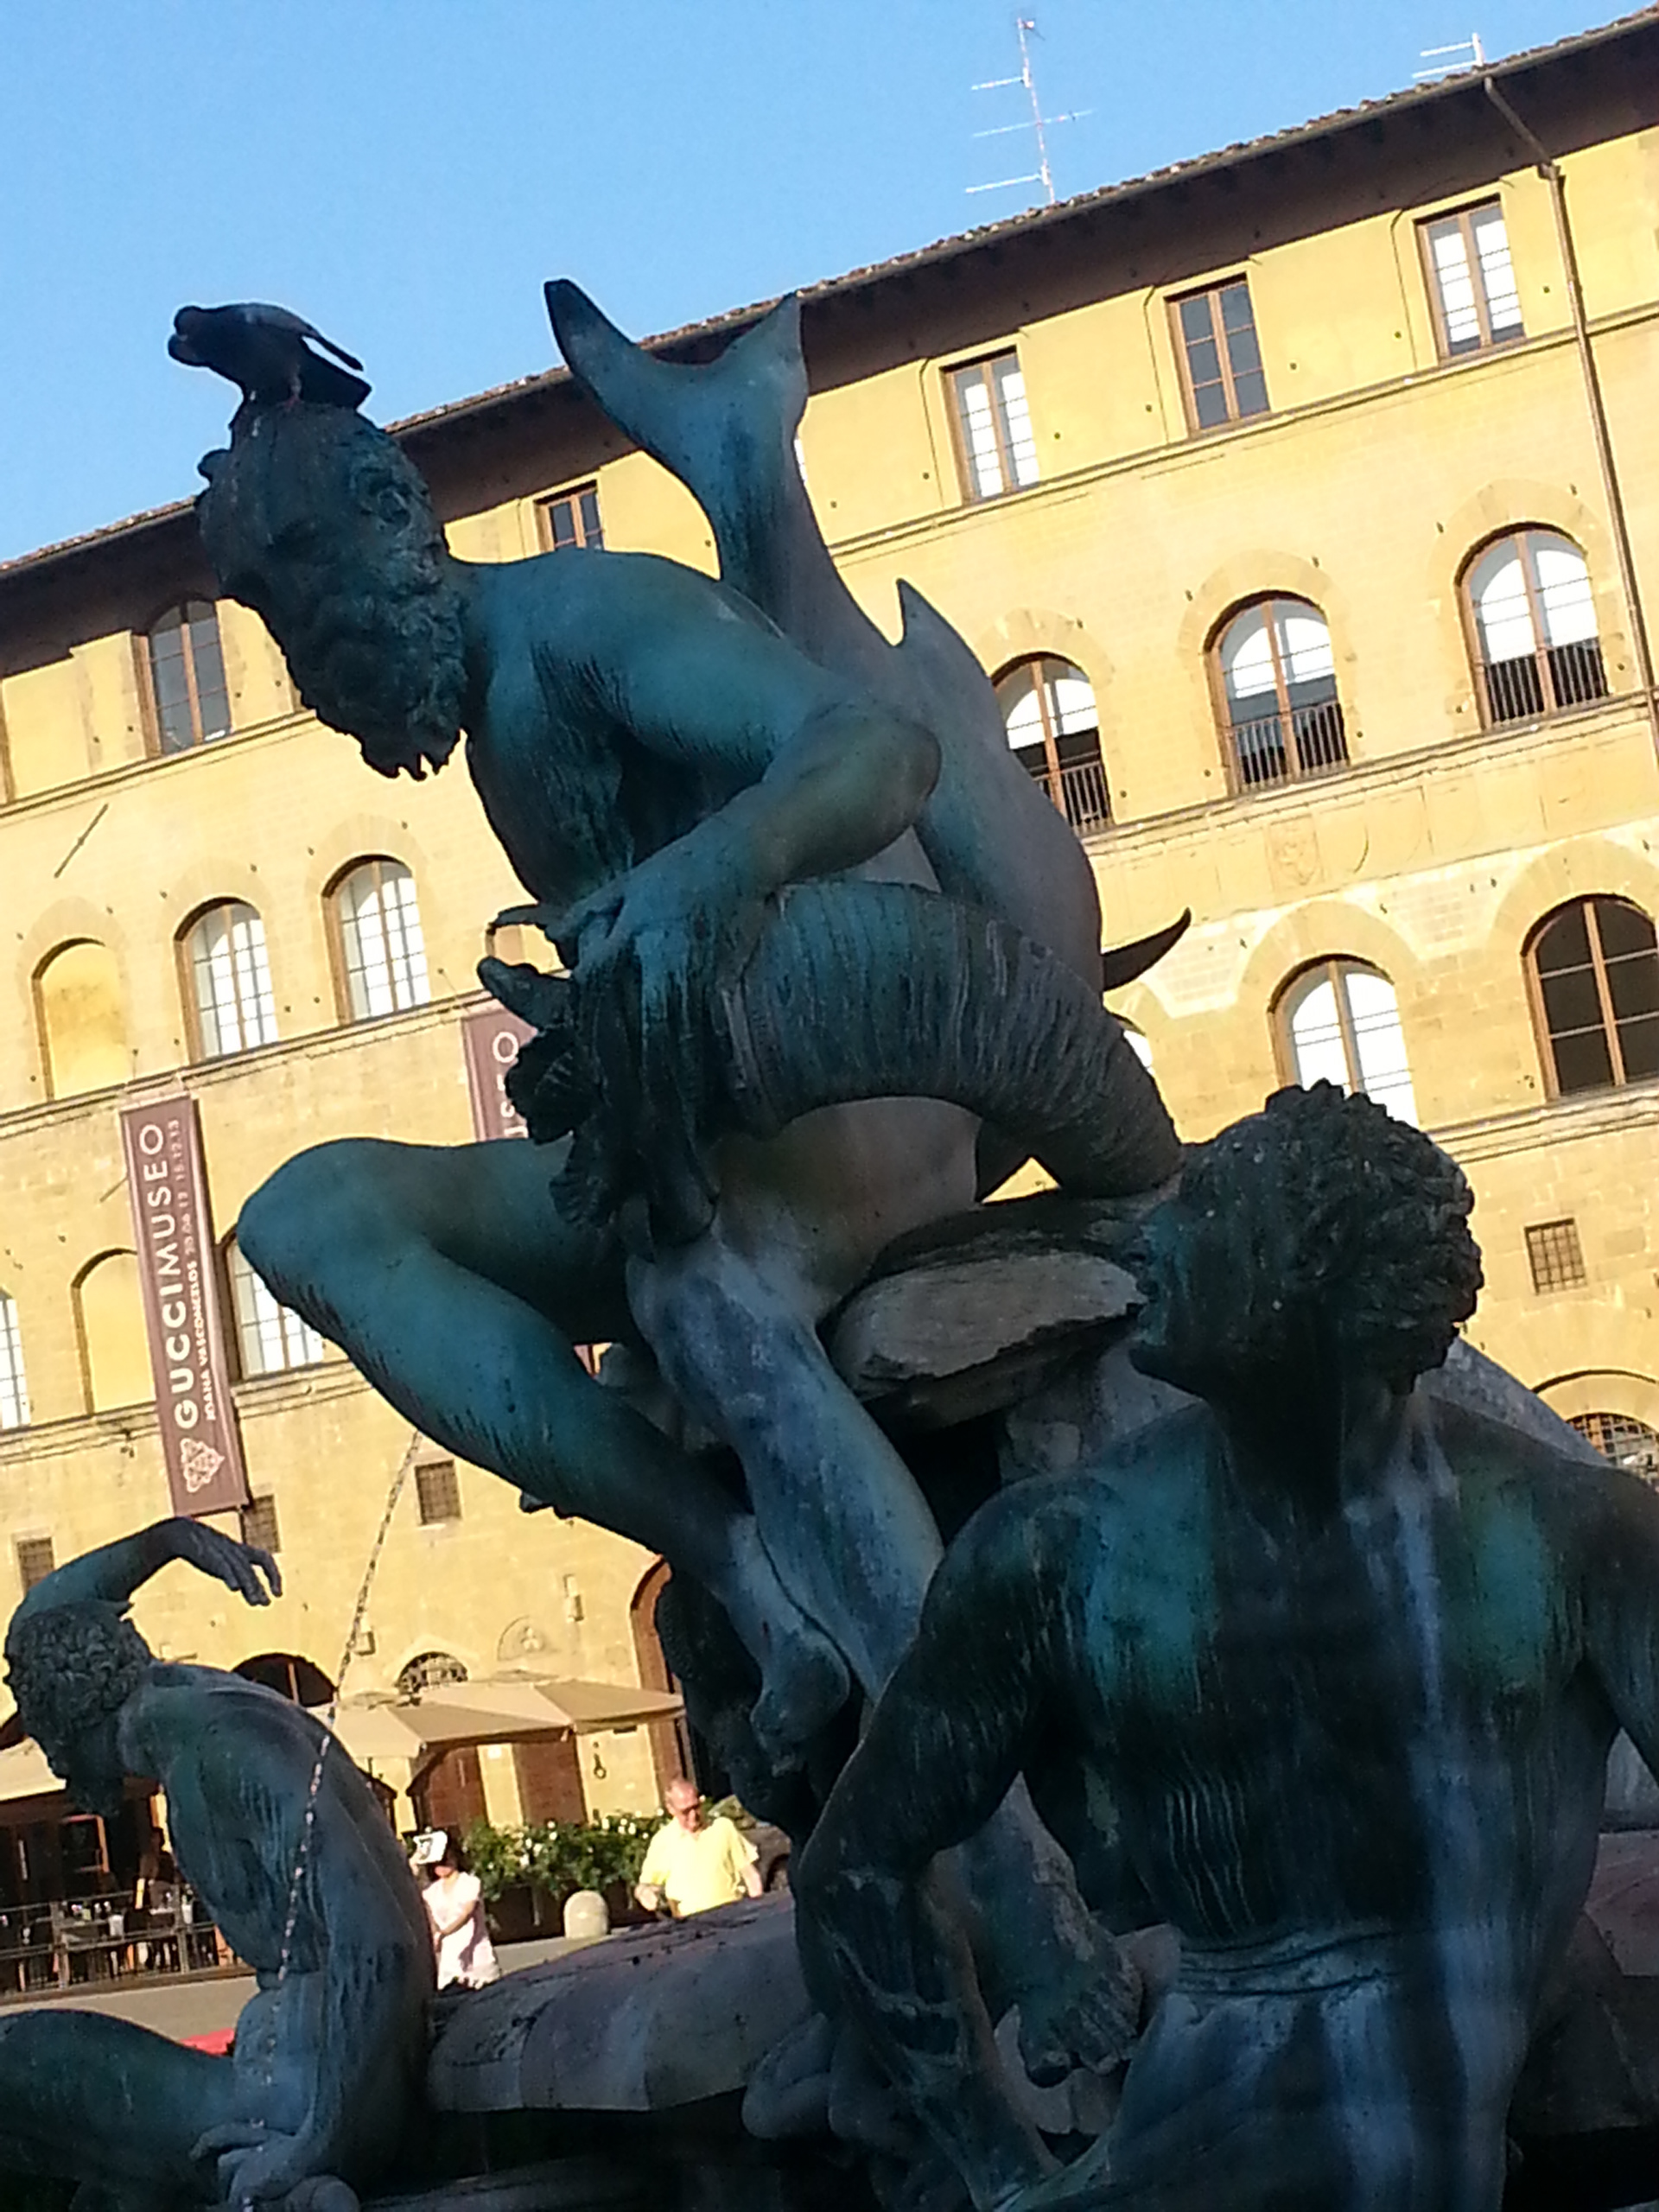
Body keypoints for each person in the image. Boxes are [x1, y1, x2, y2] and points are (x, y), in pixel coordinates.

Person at [203, 285, 1172, 2060]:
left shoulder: (586, 622)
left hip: (852, 1097)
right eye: (293, 649)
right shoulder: (498, 713)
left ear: (404, 537)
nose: (320, 681)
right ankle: (723, 1548)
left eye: (323, 626)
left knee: (703, 1291)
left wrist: (708, 874)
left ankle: (1045, 1938)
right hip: (690, 1137)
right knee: (313, 1215)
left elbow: (876, 750)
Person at [797, 1082, 1659, 2212]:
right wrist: (1002, 2179)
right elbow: (850, 1872)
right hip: (1186, 2161)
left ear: (1322, 1284)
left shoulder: (1571, 1537)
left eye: (1206, 1212)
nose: (1148, 1238)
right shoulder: (1061, 1558)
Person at [0, 1517, 432, 2211]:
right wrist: (166, 1543)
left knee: (13, 2065)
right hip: (298, 2074)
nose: (50, 1759)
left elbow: (380, 1944)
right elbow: (39, 1623)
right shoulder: (193, 1710)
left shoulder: (219, 1746)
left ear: (70, 1711)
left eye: (42, 1725)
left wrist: (318, 2141)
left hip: (308, 2098)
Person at [635, 1778, 762, 1918]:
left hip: (732, 1915)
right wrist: (646, 1894)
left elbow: (750, 1875)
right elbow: (645, 1885)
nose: (693, 1815)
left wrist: (758, 1911)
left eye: (696, 1807)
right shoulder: (663, 1841)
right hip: (691, 1925)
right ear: (671, 1809)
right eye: (685, 1811)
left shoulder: (722, 1827)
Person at [421, 1833, 499, 1990]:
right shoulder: (431, 1892)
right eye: (436, 1862)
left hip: (478, 1959)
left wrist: (444, 1933)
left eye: (445, 1860)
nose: (441, 1865)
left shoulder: (470, 1883)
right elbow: (431, 1920)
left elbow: (466, 1914)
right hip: (450, 1963)